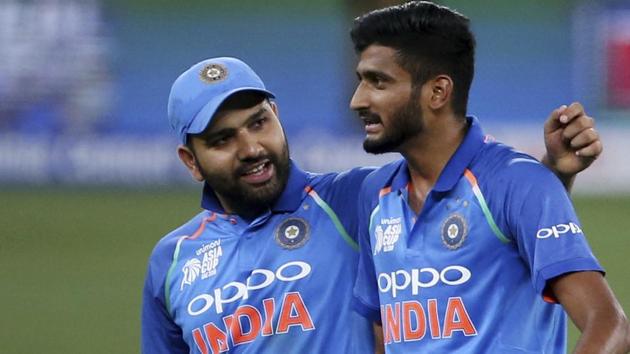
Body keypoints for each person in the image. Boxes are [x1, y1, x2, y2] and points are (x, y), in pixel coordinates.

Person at [141, 56, 602, 353]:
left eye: (258, 123)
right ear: (191, 161)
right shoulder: (172, 262)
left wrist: (554, 171)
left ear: (277, 118)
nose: (251, 148)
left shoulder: (355, 200)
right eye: (223, 139)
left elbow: (490, 219)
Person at [350, 2, 630, 353]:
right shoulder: (375, 195)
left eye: (378, 82)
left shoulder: (518, 182)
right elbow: (382, 337)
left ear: (437, 92)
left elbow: (610, 326)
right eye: (361, 80)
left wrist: (554, 176)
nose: (357, 100)